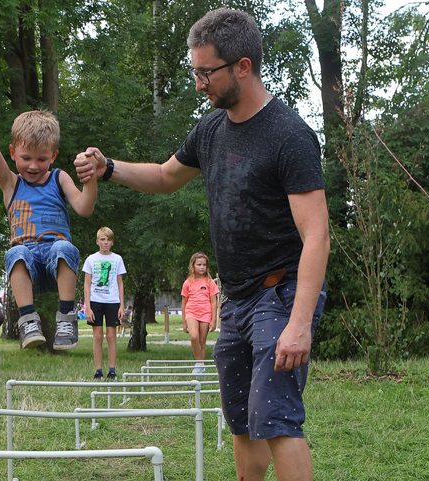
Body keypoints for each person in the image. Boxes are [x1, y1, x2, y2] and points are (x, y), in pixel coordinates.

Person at [74, 9, 329, 481]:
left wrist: (299, 324)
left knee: (275, 419)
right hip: (236, 300)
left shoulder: (289, 135)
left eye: (205, 72)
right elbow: (167, 176)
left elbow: (317, 235)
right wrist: (109, 167)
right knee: (241, 422)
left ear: (243, 66)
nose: (198, 84)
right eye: (195, 71)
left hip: (281, 294)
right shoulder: (210, 130)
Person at [0, 105, 97, 350]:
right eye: (26, 158)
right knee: (15, 253)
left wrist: (90, 178)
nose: (33, 166)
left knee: (64, 247)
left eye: (42, 159)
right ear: (12, 152)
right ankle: (28, 320)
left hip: (57, 262)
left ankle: (66, 318)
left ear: (53, 156)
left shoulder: (59, 178)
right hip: (28, 264)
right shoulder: (11, 183)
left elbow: (84, 208)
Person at [83, 227, 127, 380]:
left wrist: (121, 305)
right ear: (97, 242)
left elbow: (120, 283)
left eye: (108, 240)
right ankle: (98, 370)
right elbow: (87, 284)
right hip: (95, 301)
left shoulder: (117, 259)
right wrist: (87, 307)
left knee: (111, 336)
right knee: (97, 336)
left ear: (112, 242)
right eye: (103, 239)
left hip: (112, 301)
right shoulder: (91, 259)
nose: (105, 242)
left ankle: (112, 370)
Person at [181, 252, 219, 373]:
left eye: (204, 264)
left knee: (202, 341)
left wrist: (213, 320)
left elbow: (214, 302)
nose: (202, 267)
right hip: (191, 312)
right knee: (194, 337)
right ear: (193, 266)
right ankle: (198, 363)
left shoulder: (209, 282)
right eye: (199, 264)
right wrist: (184, 322)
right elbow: (183, 303)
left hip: (205, 313)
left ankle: (201, 366)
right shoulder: (187, 283)